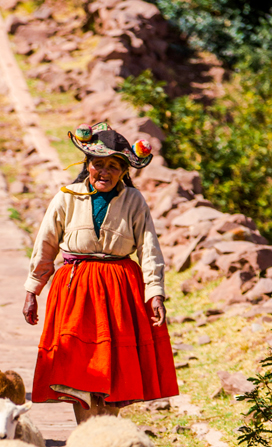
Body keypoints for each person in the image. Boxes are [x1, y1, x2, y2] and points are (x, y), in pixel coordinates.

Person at [22, 123, 178, 421]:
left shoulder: (134, 201)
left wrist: (155, 292)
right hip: (74, 289)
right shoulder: (67, 196)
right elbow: (46, 244)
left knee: (115, 364)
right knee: (77, 363)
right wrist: (33, 290)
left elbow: (149, 249)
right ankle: (86, 436)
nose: (104, 172)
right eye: (98, 165)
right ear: (87, 165)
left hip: (120, 290)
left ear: (124, 172)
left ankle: (107, 433)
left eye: (114, 166)